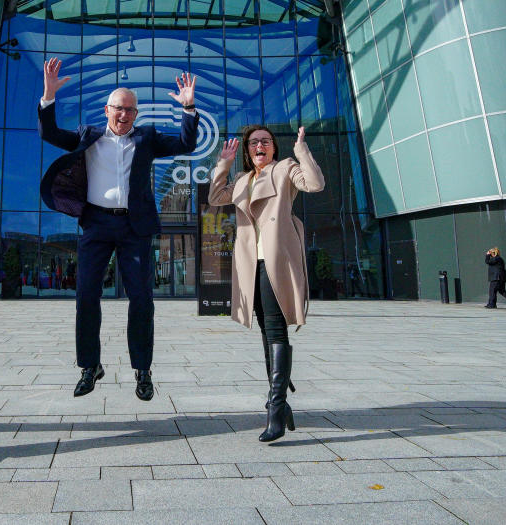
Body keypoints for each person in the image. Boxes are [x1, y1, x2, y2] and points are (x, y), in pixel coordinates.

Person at [38, 57, 198, 400]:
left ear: (136, 114)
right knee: (85, 296)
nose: (124, 115)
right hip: (95, 223)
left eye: (130, 110)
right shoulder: (88, 135)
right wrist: (48, 97)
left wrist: (189, 109)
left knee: (142, 298)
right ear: (107, 109)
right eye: (118, 108)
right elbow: (49, 133)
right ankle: (89, 366)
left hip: (134, 226)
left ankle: (142, 369)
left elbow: (186, 145)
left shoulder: (148, 138)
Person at [208, 124, 324, 442]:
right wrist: (224, 164)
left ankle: (275, 408)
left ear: (273, 148)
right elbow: (216, 197)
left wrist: (300, 150)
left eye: (266, 142)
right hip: (250, 264)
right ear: (248, 151)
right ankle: (281, 406)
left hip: (276, 261)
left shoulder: (285, 169)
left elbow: (314, 183)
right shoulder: (243, 180)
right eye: (254, 143)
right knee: (266, 331)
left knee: (275, 329)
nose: (260, 146)